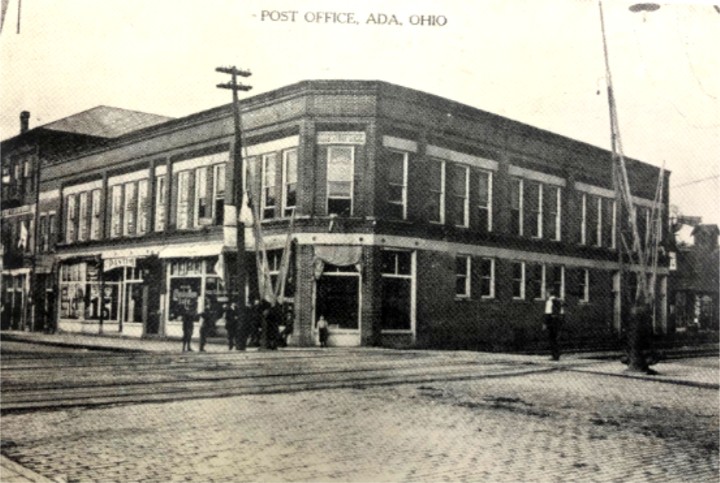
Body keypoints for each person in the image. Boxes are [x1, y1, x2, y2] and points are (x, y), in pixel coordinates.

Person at [543, 289, 564, 361]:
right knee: (556, 338)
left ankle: (554, 355)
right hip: (558, 321)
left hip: (551, 321)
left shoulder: (549, 301)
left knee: (552, 338)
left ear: (549, 294)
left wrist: (545, 323)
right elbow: (562, 313)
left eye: (547, 293)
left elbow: (547, 313)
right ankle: (557, 355)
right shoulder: (559, 301)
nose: (546, 295)